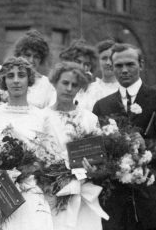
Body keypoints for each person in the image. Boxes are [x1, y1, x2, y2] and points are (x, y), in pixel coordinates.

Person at [92, 44, 156, 230]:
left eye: (130, 64)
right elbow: (98, 147)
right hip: (117, 197)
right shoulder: (102, 106)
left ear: (141, 65)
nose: (124, 70)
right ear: (111, 67)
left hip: (154, 195)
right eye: (118, 66)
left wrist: (146, 147)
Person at [0, 57, 62, 230]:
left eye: (21, 75)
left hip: (32, 193)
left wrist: (31, 168)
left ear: (29, 79)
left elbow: (53, 159)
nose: (16, 80)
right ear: (4, 81)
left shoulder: (42, 117)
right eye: (10, 76)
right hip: (0, 193)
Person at [45, 62, 108, 230]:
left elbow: (100, 159)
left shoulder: (90, 118)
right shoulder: (42, 117)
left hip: (83, 192)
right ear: (55, 83)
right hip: (52, 193)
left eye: (74, 85)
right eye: (65, 83)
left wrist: (94, 170)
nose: (69, 88)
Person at [13, 30, 56, 109]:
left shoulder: (48, 85)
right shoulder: (11, 80)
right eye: (27, 55)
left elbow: (50, 113)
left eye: (36, 56)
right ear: (19, 55)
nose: (31, 60)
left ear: (41, 59)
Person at [57, 40, 100, 112]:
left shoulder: (96, 91)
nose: (81, 67)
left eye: (86, 64)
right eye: (78, 62)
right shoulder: (56, 85)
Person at [86, 39, 121, 106]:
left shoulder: (126, 89)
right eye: (104, 58)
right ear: (97, 61)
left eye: (112, 58)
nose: (108, 63)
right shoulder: (90, 89)